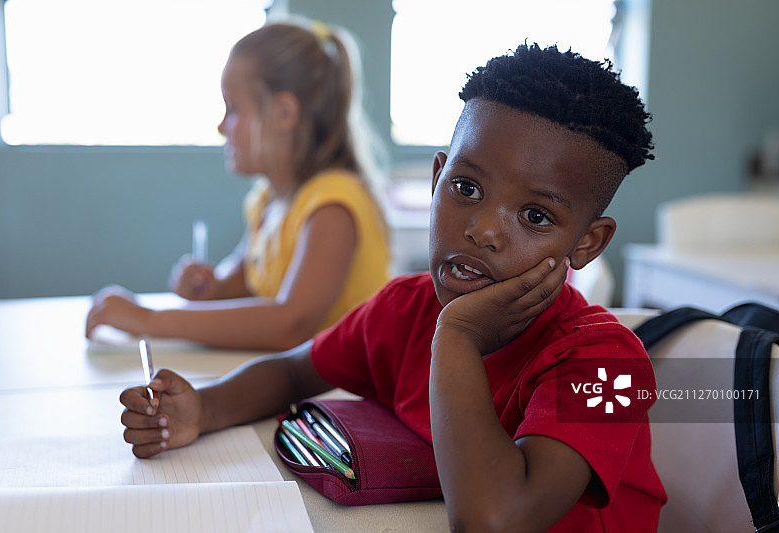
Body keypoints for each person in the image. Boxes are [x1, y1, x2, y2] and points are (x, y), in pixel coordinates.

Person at [119, 43, 666, 532]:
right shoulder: (404, 308)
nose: (484, 230)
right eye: (466, 187)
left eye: (535, 216)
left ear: (587, 243)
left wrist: (457, 336)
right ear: (436, 179)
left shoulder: (605, 364)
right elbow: (293, 370)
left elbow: (494, 521)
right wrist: (203, 409)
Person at [84, 19, 391, 351]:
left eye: (232, 109)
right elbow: (248, 280)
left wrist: (150, 320)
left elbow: (291, 324)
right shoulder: (268, 201)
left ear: (284, 114)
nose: (221, 126)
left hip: (349, 382)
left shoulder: (333, 205)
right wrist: (211, 287)